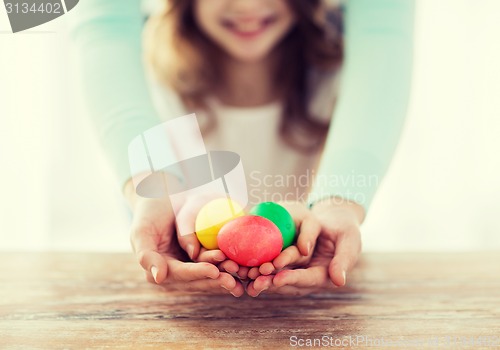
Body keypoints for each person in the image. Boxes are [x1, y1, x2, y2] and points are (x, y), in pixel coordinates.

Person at [70, 0, 414, 297]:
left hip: (311, 300)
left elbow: (384, 29)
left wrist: (339, 208)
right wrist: (155, 190)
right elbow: (104, 23)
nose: (247, 6)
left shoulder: (338, 81)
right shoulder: (151, 86)